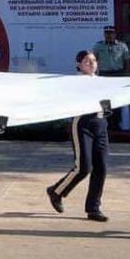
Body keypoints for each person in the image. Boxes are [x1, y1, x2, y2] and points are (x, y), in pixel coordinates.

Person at [46, 50, 110, 222]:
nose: (92, 63)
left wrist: (107, 107)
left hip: (101, 124)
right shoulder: (75, 82)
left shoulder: (101, 81)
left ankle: (93, 208)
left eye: (94, 60)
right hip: (83, 124)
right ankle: (56, 191)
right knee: (83, 167)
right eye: (87, 61)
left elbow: (106, 101)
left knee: (101, 167)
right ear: (78, 65)